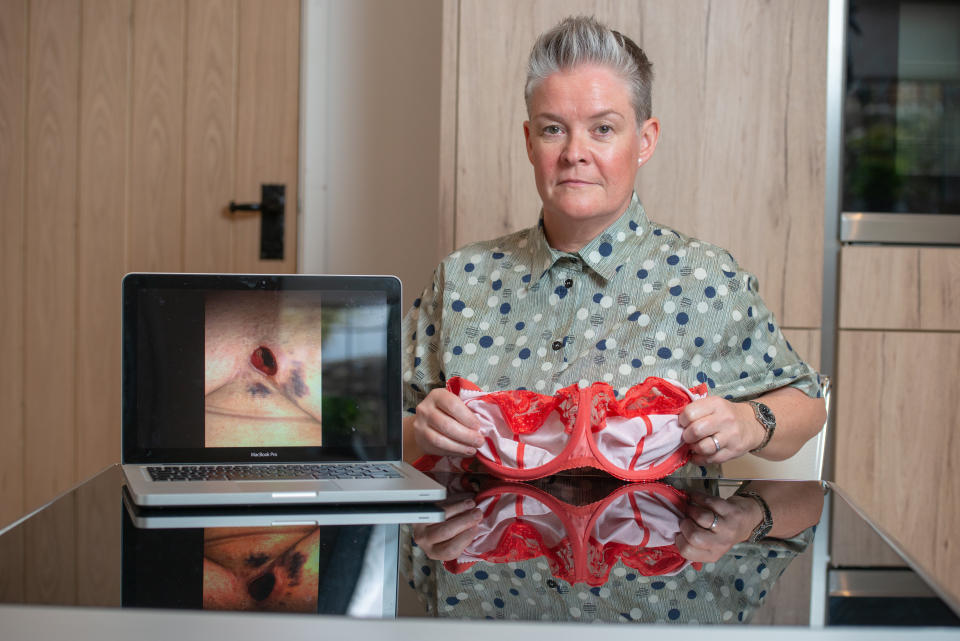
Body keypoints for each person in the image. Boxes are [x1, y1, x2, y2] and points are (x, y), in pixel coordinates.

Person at [401, 17, 826, 483]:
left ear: (644, 141)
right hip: (481, 549)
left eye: (602, 129)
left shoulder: (705, 281)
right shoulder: (461, 278)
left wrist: (749, 422)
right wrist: (420, 431)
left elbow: (806, 403)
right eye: (552, 130)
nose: (574, 153)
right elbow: (369, 427)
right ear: (529, 142)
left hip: (656, 547)